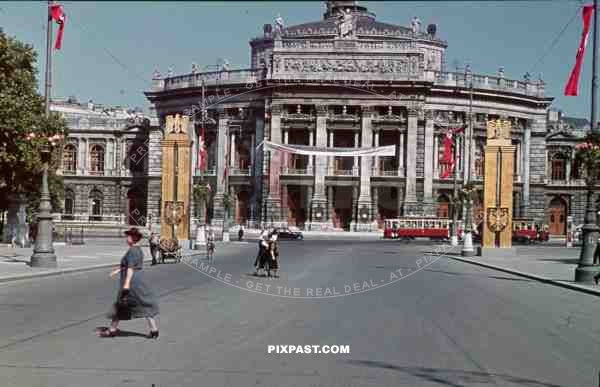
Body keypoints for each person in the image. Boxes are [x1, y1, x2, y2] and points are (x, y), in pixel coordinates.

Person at [97, 227, 159, 339]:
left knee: (120, 304)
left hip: (132, 282)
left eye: (129, 236)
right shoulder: (138, 250)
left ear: (134, 238)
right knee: (141, 304)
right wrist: (118, 270)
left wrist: (126, 284)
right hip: (138, 280)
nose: (127, 238)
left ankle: (112, 330)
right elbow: (131, 265)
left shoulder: (132, 251)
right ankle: (154, 330)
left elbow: (130, 268)